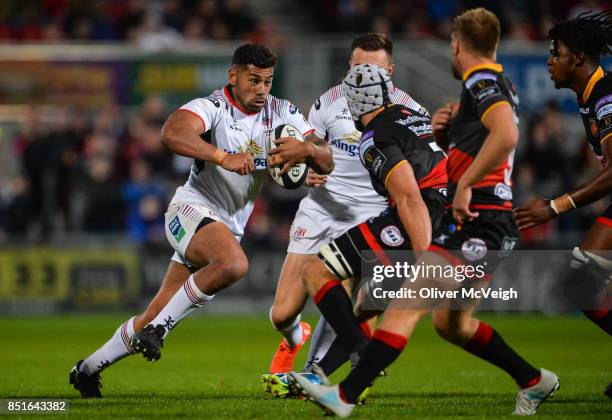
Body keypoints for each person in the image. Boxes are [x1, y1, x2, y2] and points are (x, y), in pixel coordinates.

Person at [289, 8, 558, 417]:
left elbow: (417, 193)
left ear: (456, 45)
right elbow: (463, 150)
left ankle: (344, 393)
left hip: (463, 217)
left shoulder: (471, 87)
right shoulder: (460, 98)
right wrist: (451, 135)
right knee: (449, 325)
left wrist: (428, 246)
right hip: (472, 215)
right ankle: (535, 380)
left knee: (338, 280)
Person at [69, 43, 334, 398]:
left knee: (152, 314)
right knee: (233, 263)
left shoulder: (282, 112)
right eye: (253, 80)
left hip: (224, 227)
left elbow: (325, 157)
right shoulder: (214, 107)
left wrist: (309, 155)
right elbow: (173, 132)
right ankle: (160, 331)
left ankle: (87, 369)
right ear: (233, 76)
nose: (261, 90)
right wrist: (220, 156)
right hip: (189, 210)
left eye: (268, 82)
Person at [261, 33, 430, 396]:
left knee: (347, 299)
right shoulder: (329, 101)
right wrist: (303, 166)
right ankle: (301, 340)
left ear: (390, 70)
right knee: (281, 314)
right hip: (322, 206)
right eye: (357, 67)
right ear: (348, 67)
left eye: (373, 68)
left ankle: (313, 374)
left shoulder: (411, 111)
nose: (363, 75)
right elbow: (312, 152)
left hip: (371, 212)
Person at [514, 10, 612, 398]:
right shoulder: (591, 100)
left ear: (578, 57)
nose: (549, 61)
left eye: (555, 53)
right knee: (580, 285)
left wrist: (555, 206)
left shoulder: (605, 99)